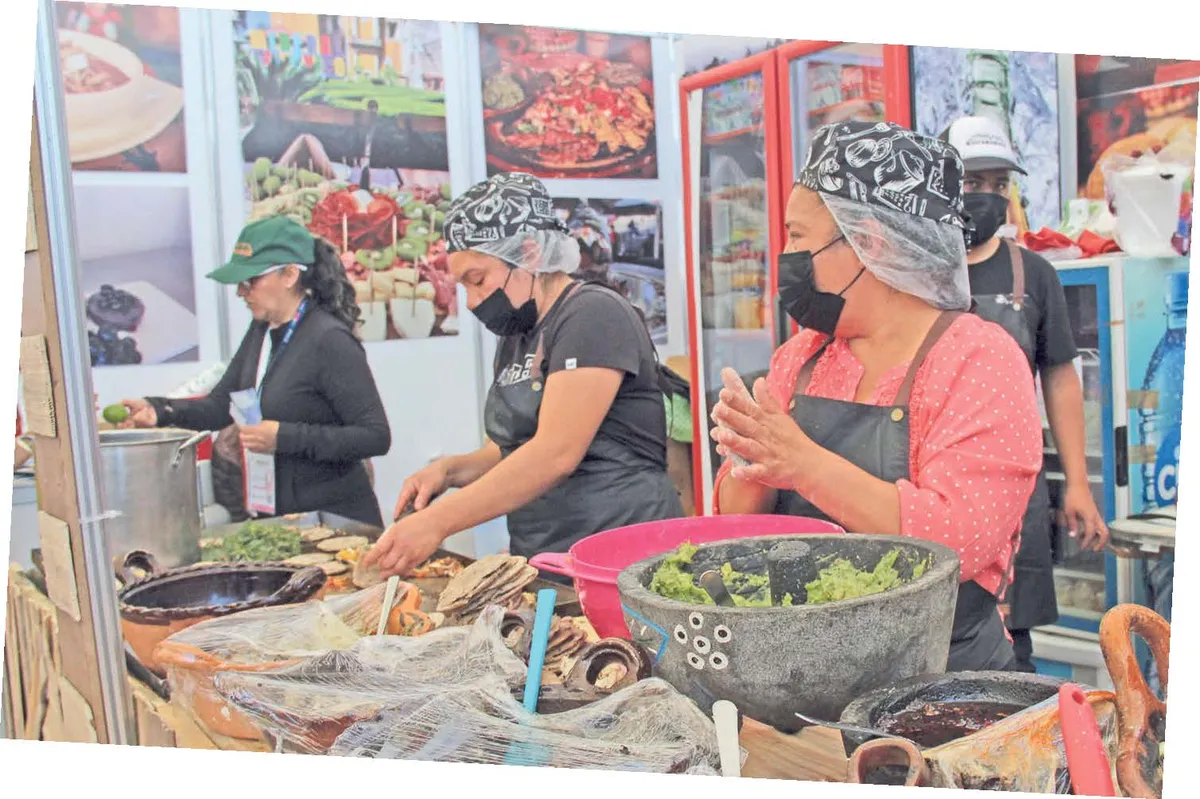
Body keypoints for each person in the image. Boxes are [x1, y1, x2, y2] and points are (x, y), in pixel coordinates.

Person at [711, 121, 1043, 673]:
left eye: (798, 236)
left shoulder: (979, 360)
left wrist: (802, 463)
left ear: (870, 242)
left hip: (938, 678)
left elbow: (957, 542)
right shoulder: (803, 357)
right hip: (800, 669)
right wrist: (750, 458)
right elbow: (736, 526)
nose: (785, 254)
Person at [364, 173, 683, 578]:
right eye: (462, 285)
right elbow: (513, 448)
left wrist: (437, 522)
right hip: (549, 555)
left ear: (529, 254)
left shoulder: (592, 315)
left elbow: (554, 453)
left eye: (477, 279)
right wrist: (450, 470)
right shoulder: (520, 330)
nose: (473, 299)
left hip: (622, 556)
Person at [946, 115, 1110, 672]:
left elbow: (1059, 378)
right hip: (939, 483)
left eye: (999, 185)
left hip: (1018, 488)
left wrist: (1079, 487)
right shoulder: (920, 272)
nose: (987, 197)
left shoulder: (1034, 274)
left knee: (1016, 650)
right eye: (972, 183)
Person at [122, 215, 391, 527]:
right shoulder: (261, 330)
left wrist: (284, 437)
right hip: (283, 519)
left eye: (251, 281)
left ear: (290, 274)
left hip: (336, 523)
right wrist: (161, 411)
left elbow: (375, 436)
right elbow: (222, 406)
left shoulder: (329, 339)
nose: (241, 292)